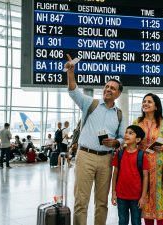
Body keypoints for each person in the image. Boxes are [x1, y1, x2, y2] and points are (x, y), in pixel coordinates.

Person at [65, 54, 125, 225]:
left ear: (118, 93)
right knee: (81, 201)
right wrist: (71, 73)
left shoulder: (119, 114)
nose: (108, 89)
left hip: (106, 159)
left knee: (101, 202)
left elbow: (122, 138)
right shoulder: (89, 103)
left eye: (113, 88)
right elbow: (73, 91)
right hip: (86, 156)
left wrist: (116, 142)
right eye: (106, 86)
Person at [132, 93, 163, 225]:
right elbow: (131, 142)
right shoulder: (137, 123)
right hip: (141, 167)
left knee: (159, 201)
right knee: (145, 200)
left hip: (160, 170)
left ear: (156, 106)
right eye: (144, 101)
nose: (145, 104)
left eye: (149, 102)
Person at [111, 125, 149, 225]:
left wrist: (143, 196)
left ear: (137, 139)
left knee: (136, 222)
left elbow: (145, 177)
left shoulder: (142, 155)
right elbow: (115, 174)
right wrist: (113, 192)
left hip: (136, 197)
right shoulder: (119, 154)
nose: (127, 135)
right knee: (122, 221)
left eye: (131, 133)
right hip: (121, 196)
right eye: (126, 132)